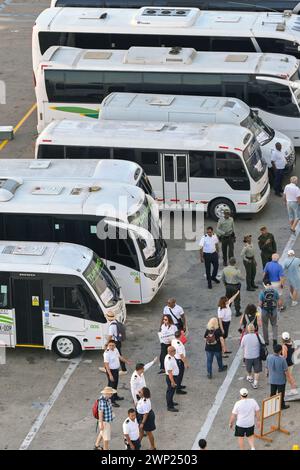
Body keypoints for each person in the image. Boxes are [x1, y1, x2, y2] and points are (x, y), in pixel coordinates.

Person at [103, 339, 131, 408]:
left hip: (116, 370)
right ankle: (111, 401)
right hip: (111, 371)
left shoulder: (115, 350)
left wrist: (126, 361)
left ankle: (115, 396)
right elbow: (106, 365)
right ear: (108, 345)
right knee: (111, 386)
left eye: (113, 345)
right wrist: (110, 375)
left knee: (115, 384)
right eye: (110, 345)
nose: (111, 347)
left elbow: (120, 357)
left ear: (115, 345)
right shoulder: (106, 353)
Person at [266, 344, 290, 410]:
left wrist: (267, 374)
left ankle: (272, 406)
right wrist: (289, 379)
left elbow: (267, 367)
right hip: (281, 380)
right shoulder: (282, 359)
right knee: (281, 394)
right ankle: (281, 406)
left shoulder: (268, 357)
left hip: (272, 379)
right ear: (280, 351)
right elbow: (286, 371)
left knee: (272, 393)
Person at [94, 386, 116, 451]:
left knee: (102, 433)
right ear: (107, 393)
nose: (112, 394)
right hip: (104, 422)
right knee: (106, 438)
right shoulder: (103, 402)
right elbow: (100, 413)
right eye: (111, 393)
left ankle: (96, 445)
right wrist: (101, 424)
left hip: (106, 421)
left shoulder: (107, 399)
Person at [241, 324, 262, 389]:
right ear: (254, 328)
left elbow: (242, 346)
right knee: (257, 370)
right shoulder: (258, 336)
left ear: (248, 329)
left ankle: (250, 377)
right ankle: (255, 383)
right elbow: (263, 343)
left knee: (248, 368)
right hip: (257, 356)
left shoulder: (245, 337)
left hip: (247, 356)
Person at [258, 282, 279, 346]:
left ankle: (266, 341)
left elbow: (260, 304)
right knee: (274, 325)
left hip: (265, 311)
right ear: (271, 285)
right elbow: (279, 301)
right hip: (273, 310)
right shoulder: (275, 292)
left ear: (264, 285)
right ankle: (275, 339)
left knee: (265, 326)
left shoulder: (262, 293)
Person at [164, 345, 184, 411]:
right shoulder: (169, 360)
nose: (175, 351)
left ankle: (171, 402)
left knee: (171, 392)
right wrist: (172, 382)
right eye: (174, 350)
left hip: (173, 376)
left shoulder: (170, 356)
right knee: (170, 392)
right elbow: (170, 372)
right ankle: (170, 407)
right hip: (171, 377)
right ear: (171, 352)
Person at [281, 332, 298, 396]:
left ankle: (293, 389)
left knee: (289, 377)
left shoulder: (284, 346)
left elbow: (284, 356)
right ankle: (293, 387)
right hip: (291, 362)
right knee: (290, 375)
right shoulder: (292, 343)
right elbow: (295, 350)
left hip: (287, 363)